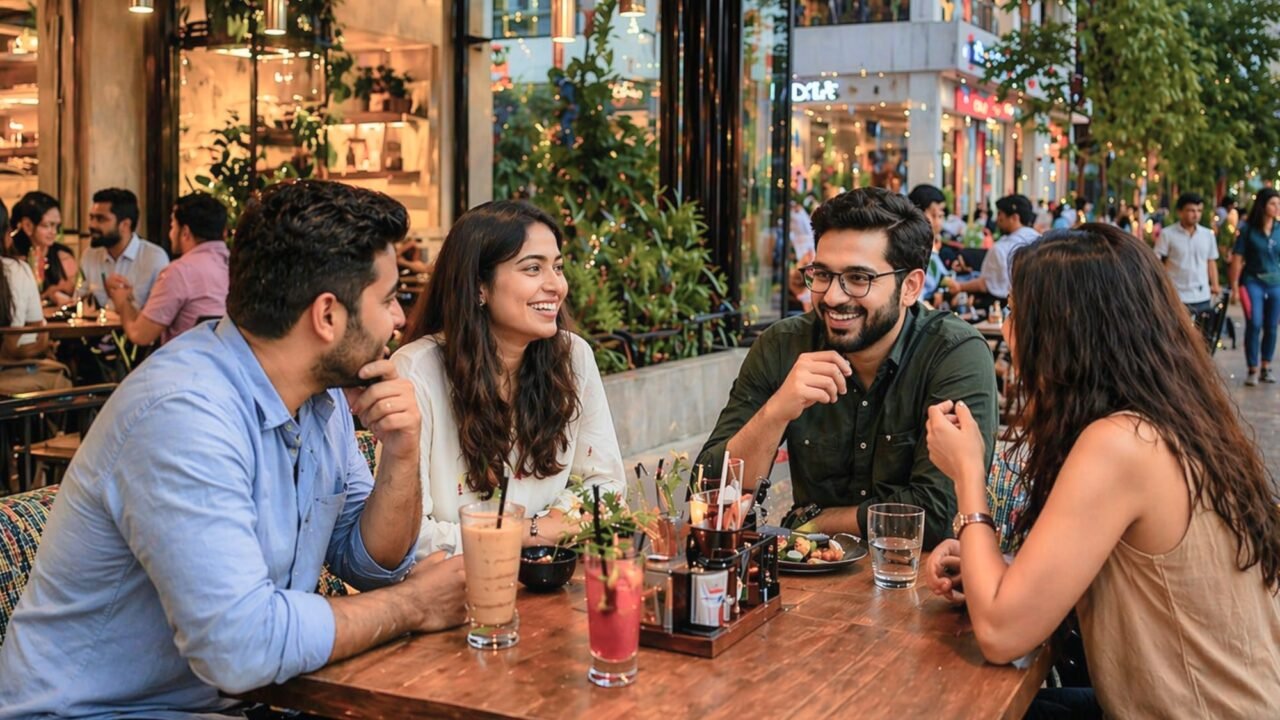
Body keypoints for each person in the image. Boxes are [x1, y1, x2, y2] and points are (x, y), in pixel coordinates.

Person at [0, 179, 468, 717]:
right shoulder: (185, 413)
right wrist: (411, 606)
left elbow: (370, 563)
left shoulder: (324, 398)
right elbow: (241, 649)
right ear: (327, 316)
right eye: (387, 301)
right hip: (100, 711)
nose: (400, 319)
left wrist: (403, 452)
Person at [924, 223, 1280, 718]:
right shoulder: (1175, 419)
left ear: (1063, 331)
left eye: (1014, 313)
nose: (1007, 329)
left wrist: (967, 474)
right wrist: (994, 569)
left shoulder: (1122, 443)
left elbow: (1002, 634)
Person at [696, 187, 998, 548]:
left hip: (920, 586)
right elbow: (706, 493)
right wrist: (775, 412)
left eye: (858, 279)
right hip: (810, 588)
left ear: (910, 287)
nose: (834, 297)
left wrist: (815, 522)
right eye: (822, 275)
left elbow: (940, 515)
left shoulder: (952, 353)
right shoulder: (783, 345)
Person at [392, 200, 625, 557]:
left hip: (550, 582)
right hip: (455, 591)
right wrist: (531, 533)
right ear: (479, 286)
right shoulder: (416, 371)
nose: (556, 286)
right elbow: (408, 537)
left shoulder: (573, 357)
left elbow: (606, 485)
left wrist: (548, 525)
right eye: (533, 269)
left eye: (557, 268)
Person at [106, 192, 230, 346]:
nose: (170, 233)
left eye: (172, 226)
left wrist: (122, 301)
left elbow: (140, 335)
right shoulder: (237, 267)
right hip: (228, 365)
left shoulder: (180, 272)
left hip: (185, 364)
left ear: (185, 232)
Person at [0, 199, 70, 395]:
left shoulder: (58, 255)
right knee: (62, 378)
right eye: (47, 225)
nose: (53, 232)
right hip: (10, 374)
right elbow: (38, 331)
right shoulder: (17, 269)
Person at [80, 187, 169, 308]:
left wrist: (126, 299)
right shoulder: (89, 255)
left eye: (101, 219)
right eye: (91, 218)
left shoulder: (154, 258)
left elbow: (161, 313)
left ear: (125, 225)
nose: (92, 225)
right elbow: (80, 301)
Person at [945, 194, 1038, 303]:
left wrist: (959, 286)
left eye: (1000, 215)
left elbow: (985, 285)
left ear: (1014, 218)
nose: (997, 220)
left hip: (1004, 305)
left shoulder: (1001, 248)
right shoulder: (1041, 241)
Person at [1229, 187, 1280, 386]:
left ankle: (1266, 366)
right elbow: (1237, 259)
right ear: (1262, 205)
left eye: (1278, 203)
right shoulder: (1248, 230)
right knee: (1255, 322)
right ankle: (1252, 367)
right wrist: (1234, 286)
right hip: (1253, 282)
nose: (1277, 207)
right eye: (1272, 203)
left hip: (1276, 283)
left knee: (1272, 326)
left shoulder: (1278, 229)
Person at [1154, 192, 1220, 315]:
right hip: (1176, 295)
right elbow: (1157, 262)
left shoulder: (1208, 235)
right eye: (1191, 210)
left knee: (1201, 333)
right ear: (1180, 212)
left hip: (1201, 295)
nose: (1196, 214)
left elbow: (1211, 262)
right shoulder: (1167, 234)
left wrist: (1215, 285)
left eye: (1199, 211)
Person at [9, 191, 78, 305]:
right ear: (27, 225)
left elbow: (78, 293)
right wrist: (47, 295)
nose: (54, 232)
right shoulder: (12, 256)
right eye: (47, 225)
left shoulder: (63, 255)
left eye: (57, 226)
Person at [907, 184, 948, 305]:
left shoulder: (931, 247)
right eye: (934, 215)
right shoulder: (910, 249)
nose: (938, 222)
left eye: (940, 216)